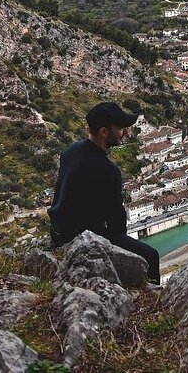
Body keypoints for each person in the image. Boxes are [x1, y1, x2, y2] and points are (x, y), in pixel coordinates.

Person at [48, 102, 160, 284]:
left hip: (58, 231)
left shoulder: (70, 152)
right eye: (121, 128)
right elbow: (117, 223)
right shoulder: (108, 171)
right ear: (104, 132)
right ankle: (151, 297)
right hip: (81, 238)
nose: (125, 132)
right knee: (151, 256)